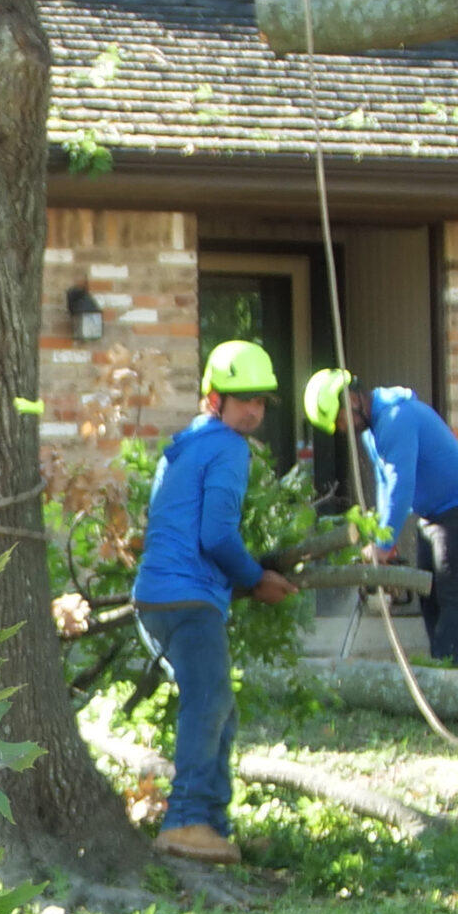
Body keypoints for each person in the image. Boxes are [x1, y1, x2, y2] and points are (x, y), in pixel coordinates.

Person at [130, 339, 296, 866]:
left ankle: (216, 826)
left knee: (220, 709)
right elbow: (217, 536)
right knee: (209, 705)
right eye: (243, 398)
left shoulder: (183, 445)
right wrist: (258, 579)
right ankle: (186, 822)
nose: (254, 410)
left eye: (261, 401)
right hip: (189, 599)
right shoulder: (228, 447)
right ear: (213, 398)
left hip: (153, 600)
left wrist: (247, 575)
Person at [326, 380, 458, 666]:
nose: (344, 428)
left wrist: (382, 545)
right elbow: (383, 484)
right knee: (428, 595)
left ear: (353, 399)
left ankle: (448, 677)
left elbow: (400, 485)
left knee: (450, 594)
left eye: (342, 420)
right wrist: (382, 539)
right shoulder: (372, 432)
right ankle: (438, 668)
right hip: (432, 514)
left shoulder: (396, 420)